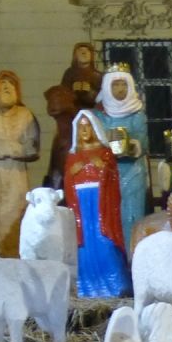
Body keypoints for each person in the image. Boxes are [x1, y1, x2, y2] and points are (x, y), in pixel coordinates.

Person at [63, 110, 128, 298]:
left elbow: (113, 176)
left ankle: (115, 285)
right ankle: (86, 286)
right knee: (84, 244)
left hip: (101, 202)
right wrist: (72, 173)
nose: (84, 130)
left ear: (94, 128)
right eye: (81, 127)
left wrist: (102, 167)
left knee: (104, 240)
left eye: (88, 126)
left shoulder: (105, 152)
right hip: (81, 205)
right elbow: (68, 179)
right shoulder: (73, 155)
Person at [0, 70, 40, 257]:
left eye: (10, 84)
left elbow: (31, 147)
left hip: (17, 177)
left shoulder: (25, 115)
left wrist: (5, 147)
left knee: (17, 217)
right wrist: (12, 147)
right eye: (2, 84)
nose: (6, 87)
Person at [99, 65, 150, 247]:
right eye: (115, 85)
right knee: (110, 215)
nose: (120, 89)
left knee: (132, 214)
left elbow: (142, 141)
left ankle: (133, 255)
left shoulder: (137, 114)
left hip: (133, 171)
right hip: (109, 172)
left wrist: (131, 145)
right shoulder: (100, 116)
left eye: (123, 85)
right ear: (107, 88)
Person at [60, 43, 103, 113]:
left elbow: (102, 98)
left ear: (91, 55)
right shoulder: (69, 73)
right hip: (73, 110)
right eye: (80, 51)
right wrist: (72, 91)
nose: (84, 53)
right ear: (75, 55)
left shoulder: (97, 75)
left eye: (87, 51)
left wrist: (90, 92)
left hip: (91, 110)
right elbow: (62, 94)